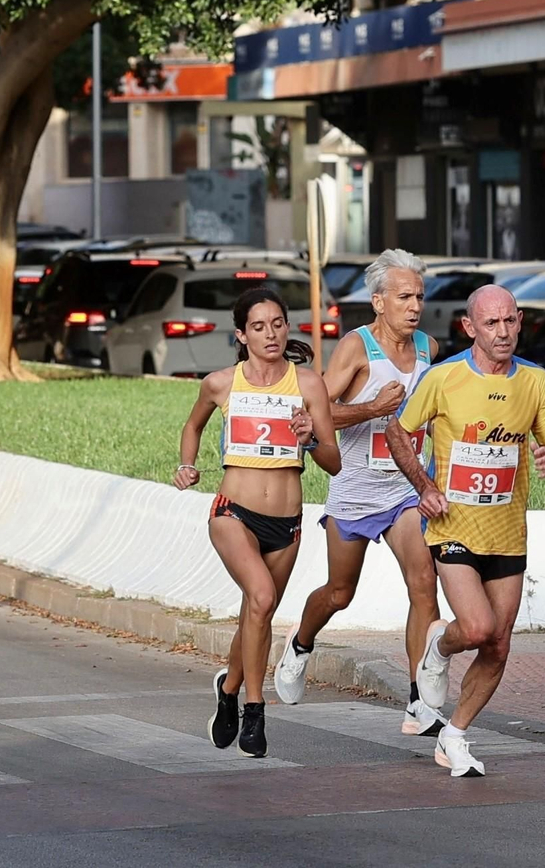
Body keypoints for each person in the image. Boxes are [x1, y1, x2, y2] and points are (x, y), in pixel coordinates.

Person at [385, 284, 545, 778]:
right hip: (453, 527)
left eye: (510, 321)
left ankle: (456, 734)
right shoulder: (443, 379)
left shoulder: (534, 381)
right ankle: (440, 644)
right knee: (478, 627)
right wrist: (423, 486)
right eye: (492, 324)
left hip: (508, 531)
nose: (503, 332)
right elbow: (396, 431)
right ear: (470, 327)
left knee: (498, 643)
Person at [273, 250, 445, 737]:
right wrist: (371, 408)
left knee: (423, 582)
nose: (414, 306)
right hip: (355, 489)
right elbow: (314, 413)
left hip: (405, 492)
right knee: (339, 593)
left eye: (419, 296)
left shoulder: (430, 350)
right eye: (404, 297)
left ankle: (419, 701)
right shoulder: (357, 347)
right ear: (378, 302)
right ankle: (301, 644)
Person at [174, 287, 340, 758]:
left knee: (256, 613)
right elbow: (193, 425)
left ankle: (227, 689)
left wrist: (310, 439)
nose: (270, 333)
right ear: (241, 334)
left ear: (288, 328)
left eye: (278, 324)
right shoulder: (221, 383)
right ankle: (253, 709)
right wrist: (187, 463)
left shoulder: (308, 385)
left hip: (285, 523)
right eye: (259, 326)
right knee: (262, 598)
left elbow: (334, 462)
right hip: (233, 512)